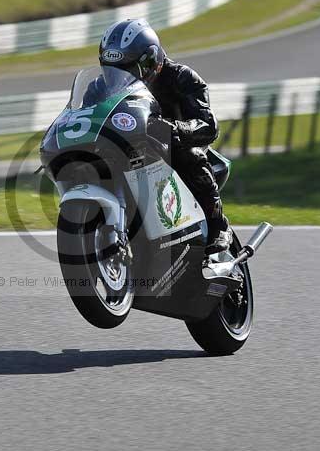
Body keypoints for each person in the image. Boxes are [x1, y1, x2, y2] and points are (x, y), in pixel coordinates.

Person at [96, 19, 232, 271]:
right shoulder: (99, 87)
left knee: (189, 155)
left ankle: (218, 228)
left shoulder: (182, 77)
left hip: (172, 152)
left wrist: (174, 129)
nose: (123, 75)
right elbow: (86, 113)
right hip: (126, 150)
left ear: (151, 60)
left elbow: (209, 125)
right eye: (115, 67)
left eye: (131, 67)